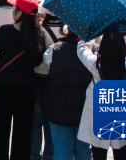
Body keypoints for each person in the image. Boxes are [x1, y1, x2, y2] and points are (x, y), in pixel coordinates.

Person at [0, 0, 48, 160]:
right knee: (22, 135)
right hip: (27, 90)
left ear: (19, 13)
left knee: (1, 133)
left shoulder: (5, 31)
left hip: (3, 88)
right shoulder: (39, 35)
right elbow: (37, 61)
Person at [76, 29, 126, 160]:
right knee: (123, 152)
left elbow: (82, 48)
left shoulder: (95, 65)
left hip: (98, 113)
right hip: (121, 111)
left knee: (98, 153)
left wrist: (92, 32)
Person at [43, 25, 93, 160]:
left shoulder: (54, 49)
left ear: (68, 29)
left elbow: (44, 66)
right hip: (84, 111)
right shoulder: (92, 51)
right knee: (84, 150)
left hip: (59, 109)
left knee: (61, 150)